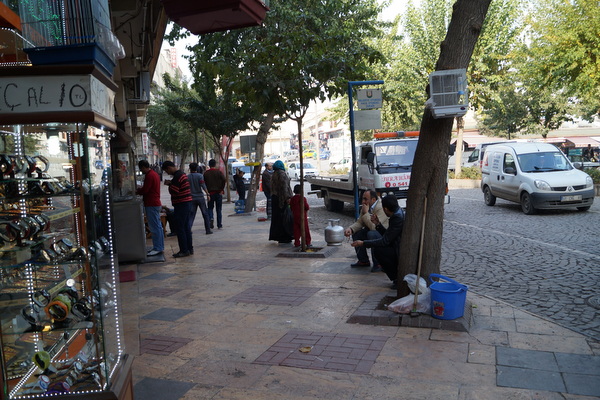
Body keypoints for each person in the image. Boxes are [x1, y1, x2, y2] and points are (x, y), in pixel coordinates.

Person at [351, 195, 404, 289]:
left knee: (379, 250)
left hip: (398, 248)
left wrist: (363, 243)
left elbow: (385, 240)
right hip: (396, 244)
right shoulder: (397, 213)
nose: (364, 201)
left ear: (386, 209)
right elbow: (389, 235)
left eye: (366, 199)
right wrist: (378, 224)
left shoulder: (397, 217)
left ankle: (396, 278)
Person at [344, 189, 389, 272]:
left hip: (383, 234)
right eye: (363, 198)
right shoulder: (366, 207)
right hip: (372, 230)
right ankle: (363, 260)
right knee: (356, 233)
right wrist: (350, 229)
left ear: (373, 200)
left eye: (365, 199)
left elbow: (374, 227)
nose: (363, 201)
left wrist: (365, 213)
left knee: (372, 234)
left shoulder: (380, 207)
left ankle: (378, 263)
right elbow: (360, 222)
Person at [161, 161, 193, 258]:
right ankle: (189, 248)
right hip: (186, 203)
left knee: (180, 227)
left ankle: (184, 250)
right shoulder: (182, 174)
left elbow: (175, 191)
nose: (167, 172)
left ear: (169, 167)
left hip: (181, 204)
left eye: (167, 170)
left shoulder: (177, 176)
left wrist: (169, 185)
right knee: (186, 227)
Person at [136, 160, 163, 257]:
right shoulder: (154, 174)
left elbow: (146, 190)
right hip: (154, 202)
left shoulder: (149, 175)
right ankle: (158, 246)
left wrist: (137, 191)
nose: (140, 170)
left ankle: (158, 247)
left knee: (155, 227)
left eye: (140, 168)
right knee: (157, 226)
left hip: (151, 203)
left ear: (143, 167)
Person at [269, 160, 293, 244]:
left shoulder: (273, 174)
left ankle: (278, 236)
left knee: (277, 218)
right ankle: (285, 236)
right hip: (281, 199)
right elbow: (284, 187)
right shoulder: (282, 174)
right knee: (284, 218)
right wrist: (288, 198)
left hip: (274, 198)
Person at [188, 162, 212, 235]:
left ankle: (188, 229)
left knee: (191, 215)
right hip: (200, 197)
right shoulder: (200, 176)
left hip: (191, 198)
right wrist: (208, 194)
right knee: (205, 214)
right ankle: (208, 230)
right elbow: (203, 185)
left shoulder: (187, 177)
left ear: (190, 168)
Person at [204, 159, 227, 230]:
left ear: (209, 165)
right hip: (218, 193)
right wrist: (221, 189)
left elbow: (203, 183)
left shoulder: (206, 173)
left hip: (210, 193)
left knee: (210, 208)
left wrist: (207, 192)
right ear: (215, 164)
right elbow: (224, 180)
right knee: (218, 209)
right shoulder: (219, 172)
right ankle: (219, 224)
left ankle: (211, 218)